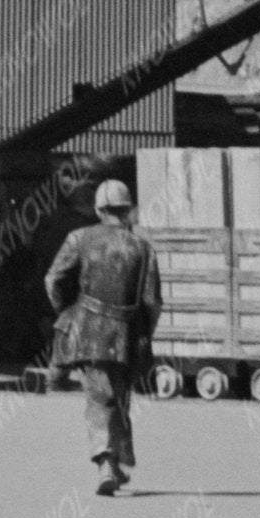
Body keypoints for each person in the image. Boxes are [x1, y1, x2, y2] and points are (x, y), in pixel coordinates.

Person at [43, 169, 162, 494]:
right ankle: (116, 461)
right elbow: (152, 301)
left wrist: (67, 311)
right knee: (119, 396)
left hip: (88, 332)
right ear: (129, 210)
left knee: (99, 397)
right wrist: (144, 332)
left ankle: (107, 463)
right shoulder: (143, 248)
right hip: (128, 335)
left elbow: (53, 280)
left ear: (98, 210)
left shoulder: (79, 239)